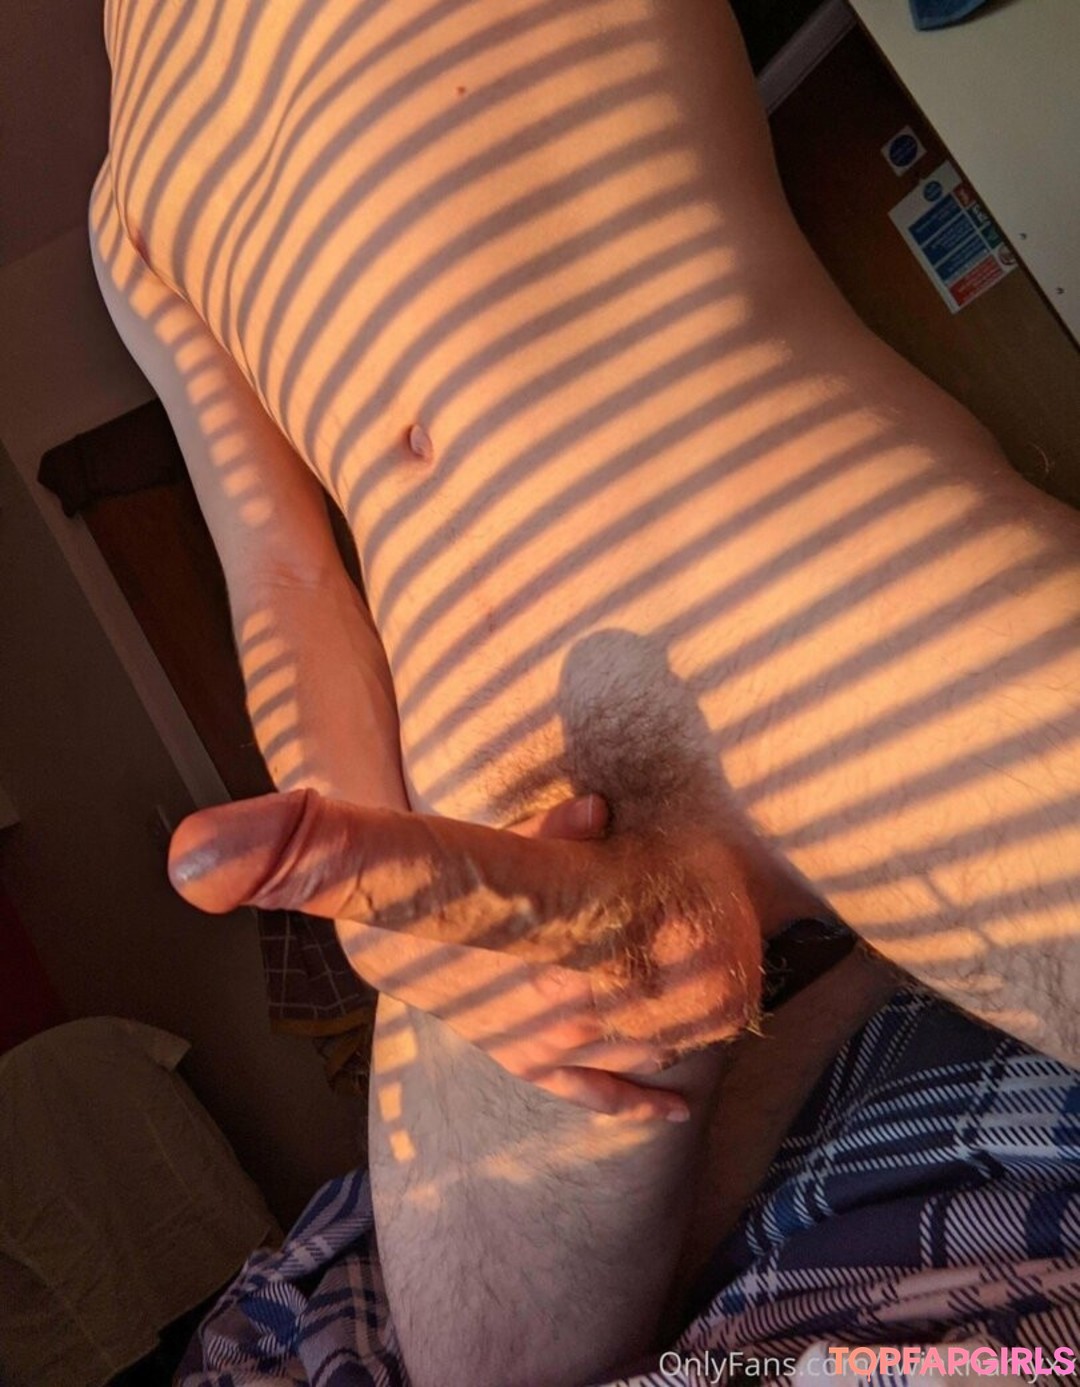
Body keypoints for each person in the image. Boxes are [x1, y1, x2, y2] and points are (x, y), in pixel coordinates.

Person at [89, 1, 1080, 1382]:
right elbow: (286, 581)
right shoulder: (124, 203)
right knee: (480, 1359)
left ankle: (838, 946)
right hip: (498, 816)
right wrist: (391, 935)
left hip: (806, 581)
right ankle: (789, 974)